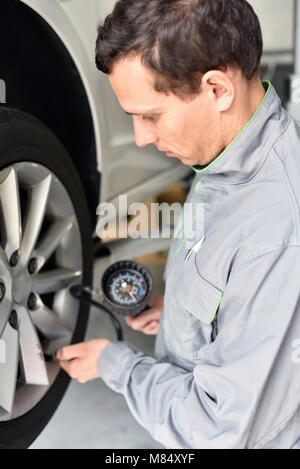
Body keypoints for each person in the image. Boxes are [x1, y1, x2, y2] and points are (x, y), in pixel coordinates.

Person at [56, 0, 300, 449]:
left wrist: (117, 365)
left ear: (217, 89)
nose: (141, 138)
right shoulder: (226, 153)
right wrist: (185, 314)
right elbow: (232, 284)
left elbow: (217, 431)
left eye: (150, 115)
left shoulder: (279, 233)